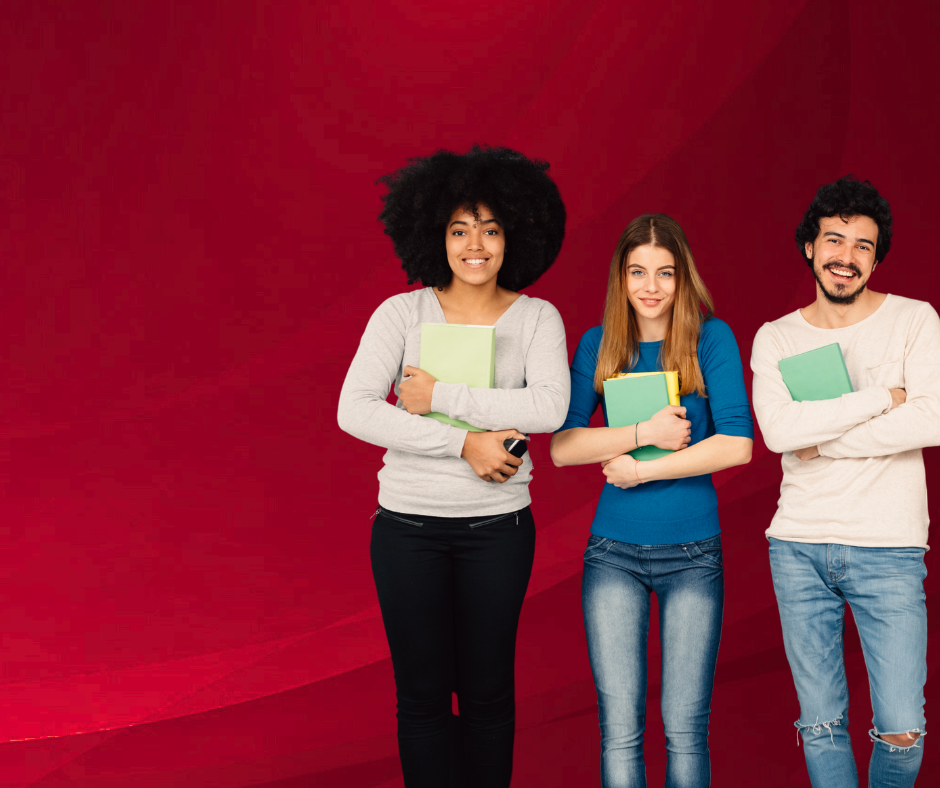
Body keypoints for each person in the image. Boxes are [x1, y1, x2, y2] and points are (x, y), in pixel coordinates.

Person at [337, 144, 569, 788]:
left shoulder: (537, 318)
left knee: (490, 695)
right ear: (434, 234)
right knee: (421, 697)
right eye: (459, 229)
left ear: (514, 234)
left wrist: (440, 398)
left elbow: (551, 405)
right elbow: (353, 410)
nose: (475, 245)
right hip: (407, 530)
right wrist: (461, 442)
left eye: (490, 230)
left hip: (498, 531)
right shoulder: (400, 314)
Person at [551, 214, 753, 788]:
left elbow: (737, 444)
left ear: (682, 276)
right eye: (638, 272)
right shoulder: (599, 344)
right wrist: (643, 433)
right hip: (612, 552)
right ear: (621, 277)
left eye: (665, 273)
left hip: (693, 553)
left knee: (686, 728)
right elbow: (564, 447)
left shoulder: (710, 337)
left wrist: (645, 471)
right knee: (619, 729)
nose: (651, 286)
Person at [750, 175, 939, 788]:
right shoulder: (776, 337)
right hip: (798, 545)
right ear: (810, 246)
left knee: (903, 728)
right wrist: (884, 398)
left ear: (877, 257)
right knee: (821, 724)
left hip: (889, 547)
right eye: (834, 240)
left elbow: (932, 417)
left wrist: (820, 441)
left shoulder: (915, 320)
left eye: (863, 246)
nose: (846, 257)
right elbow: (779, 434)